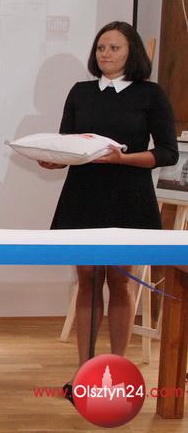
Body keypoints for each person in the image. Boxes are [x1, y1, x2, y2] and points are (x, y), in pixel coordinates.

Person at [38, 21, 177, 401]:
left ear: (132, 52)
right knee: (86, 281)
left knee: (119, 281)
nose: (106, 54)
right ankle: (84, 372)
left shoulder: (150, 93)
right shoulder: (81, 91)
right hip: (83, 196)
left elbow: (168, 152)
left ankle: (116, 372)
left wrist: (124, 159)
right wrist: (53, 159)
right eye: (101, 47)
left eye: (114, 48)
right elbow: (67, 145)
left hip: (129, 196)